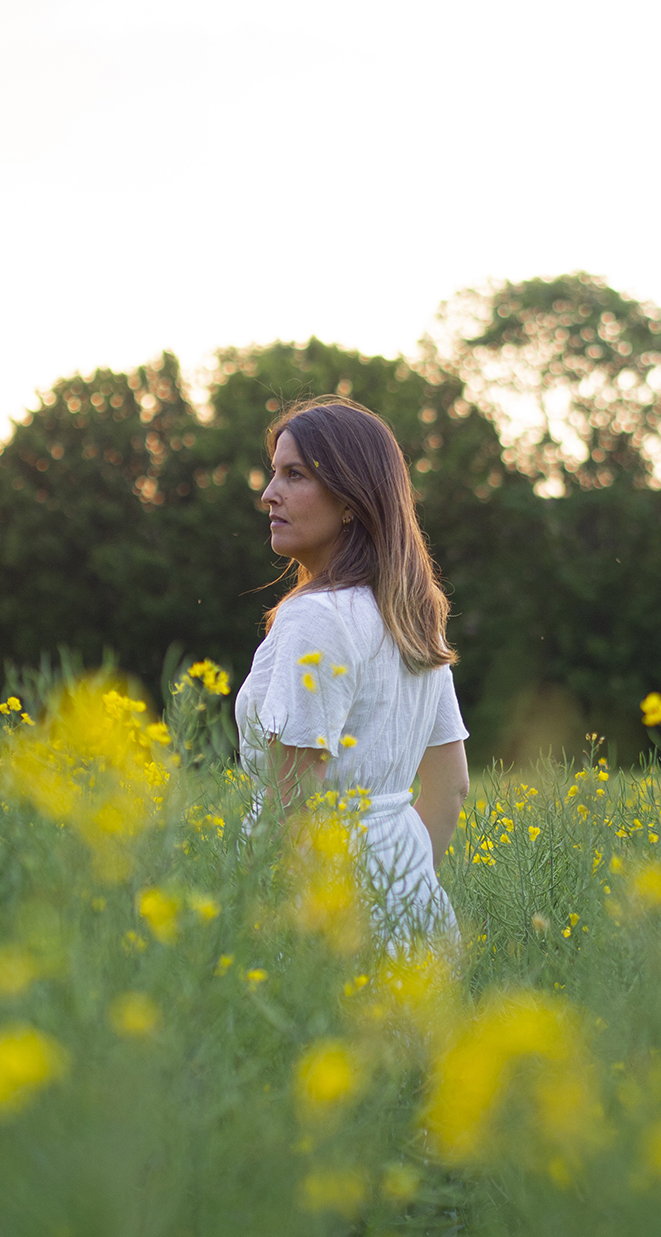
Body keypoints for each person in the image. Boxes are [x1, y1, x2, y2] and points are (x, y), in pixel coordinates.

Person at [234, 396, 470, 937]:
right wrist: (398, 888)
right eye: (274, 475)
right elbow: (451, 786)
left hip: (322, 919)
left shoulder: (316, 618)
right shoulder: (411, 616)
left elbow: (294, 808)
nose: (270, 495)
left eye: (294, 475)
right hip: (414, 906)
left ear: (350, 500)